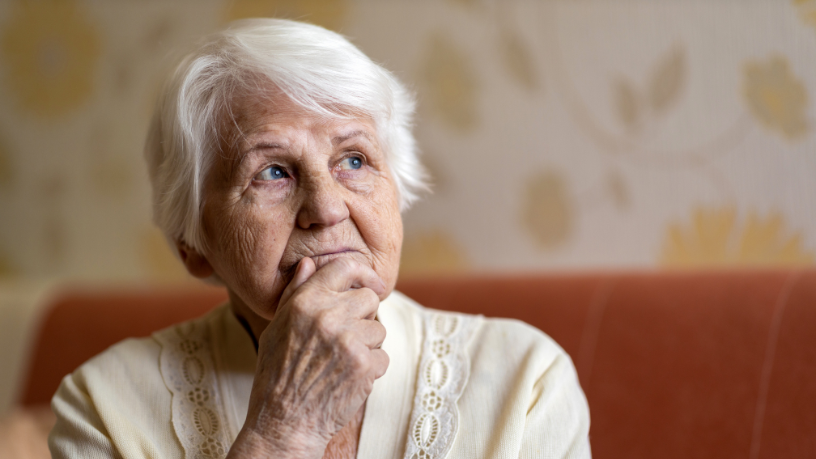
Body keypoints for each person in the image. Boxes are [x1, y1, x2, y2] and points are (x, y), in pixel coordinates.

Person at [48, 18, 591, 459]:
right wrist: (283, 430)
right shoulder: (103, 405)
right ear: (192, 243)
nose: (327, 209)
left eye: (353, 160)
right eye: (273, 172)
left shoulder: (525, 380)